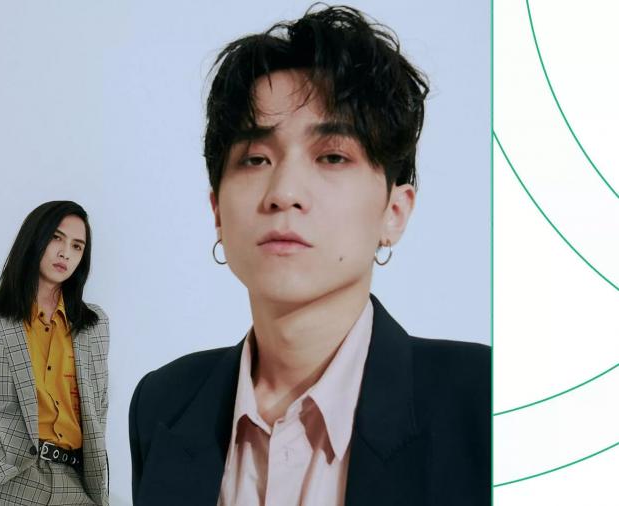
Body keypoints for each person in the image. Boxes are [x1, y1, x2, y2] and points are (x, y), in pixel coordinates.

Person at [128, 5, 490, 506]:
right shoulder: (163, 404)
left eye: (332, 156)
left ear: (394, 211)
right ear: (217, 211)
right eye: (255, 159)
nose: (284, 192)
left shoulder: (484, 402)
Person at [0, 200, 110, 506]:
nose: (65, 253)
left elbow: (98, 410)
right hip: (5, 483)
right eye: (56, 238)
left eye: (77, 246)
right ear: (34, 239)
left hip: (75, 485)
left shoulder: (94, 326)